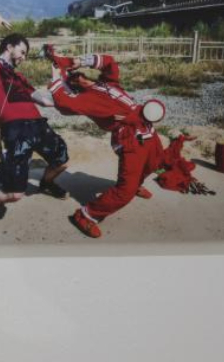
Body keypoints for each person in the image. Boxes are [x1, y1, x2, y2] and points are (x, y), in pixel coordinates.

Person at [0, 11, 69, 235]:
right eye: (22, 51)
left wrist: (58, 81)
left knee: (61, 162)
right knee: (14, 194)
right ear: (9, 46)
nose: (24, 57)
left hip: (38, 124)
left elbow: (46, 102)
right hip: (14, 129)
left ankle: (46, 183)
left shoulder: (20, 78)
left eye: (26, 54)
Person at [44, 46, 167, 239]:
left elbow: (109, 62)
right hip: (130, 139)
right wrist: (57, 80)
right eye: (73, 78)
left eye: (78, 73)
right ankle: (86, 215)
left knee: (154, 162)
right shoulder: (87, 99)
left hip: (147, 129)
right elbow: (65, 103)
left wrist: (79, 61)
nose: (78, 76)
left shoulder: (107, 82)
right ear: (73, 86)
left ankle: (136, 184)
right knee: (124, 191)